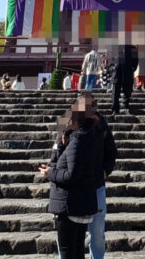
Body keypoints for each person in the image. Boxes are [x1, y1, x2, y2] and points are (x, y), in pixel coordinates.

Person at [40, 105, 100, 259]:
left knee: (68, 252)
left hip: (70, 205)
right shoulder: (87, 137)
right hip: (79, 204)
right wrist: (63, 143)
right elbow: (68, 162)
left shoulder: (78, 141)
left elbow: (71, 175)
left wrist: (49, 172)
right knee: (77, 251)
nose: (66, 122)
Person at [76, 91, 116, 259]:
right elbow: (58, 149)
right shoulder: (69, 121)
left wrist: (106, 170)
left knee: (97, 232)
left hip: (96, 185)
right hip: (75, 186)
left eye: (92, 105)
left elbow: (111, 150)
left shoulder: (101, 124)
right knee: (73, 233)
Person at [110, 45, 135, 115]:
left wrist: (133, 67)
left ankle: (124, 105)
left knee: (126, 89)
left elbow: (135, 59)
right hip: (119, 70)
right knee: (116, 90)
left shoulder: (132, 49)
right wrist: (112, 67)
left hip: (126, 70)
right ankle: (116, 108)